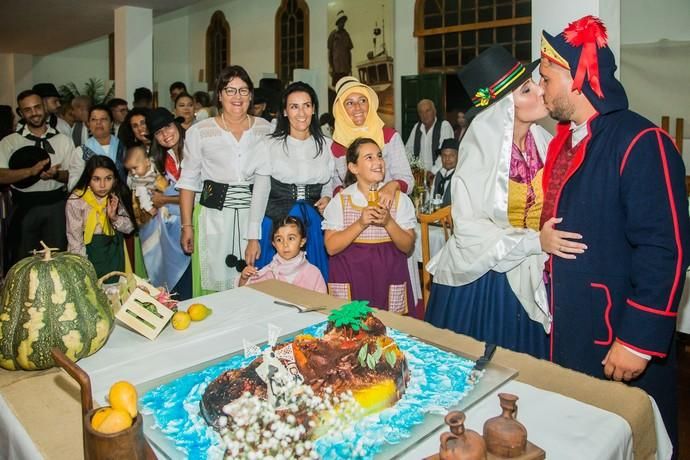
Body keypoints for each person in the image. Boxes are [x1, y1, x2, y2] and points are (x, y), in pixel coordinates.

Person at [538, 16, 690, 453]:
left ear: (576, 79)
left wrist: (639, 340)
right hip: (573, 327)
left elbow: (666, 248)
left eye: (548, 80)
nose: (543, 90)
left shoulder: (642, 141)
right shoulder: (571, 141)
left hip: (616, 336)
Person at [425, 45, 562, 359]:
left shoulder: (544, 141)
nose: (541, 91)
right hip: (486, 280)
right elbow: (470, 229)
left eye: (536, 84)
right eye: (528, 89)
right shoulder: (480, 153)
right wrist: (533, 242)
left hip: (536, 267)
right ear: (505, 108)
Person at [178, 65, 273, 294]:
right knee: (215, 285)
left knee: (255, 285)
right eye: (230, 90)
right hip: (214, 216)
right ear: (219, 95)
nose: (237, 97)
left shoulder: (266, 129)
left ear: (251, 95)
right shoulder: (200, 132)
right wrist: (186, 226)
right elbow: (189, 181)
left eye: (243, 90)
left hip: (255, 217)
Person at [331, 76, 421, 309]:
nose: (357, 107)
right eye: (349, 103)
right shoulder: (336, 144)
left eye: (362, 100)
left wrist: (392, 186)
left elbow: (406, 179)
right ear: (340, 108)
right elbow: (332, 183)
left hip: (389, 214)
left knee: (393, 296)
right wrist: (337, 195)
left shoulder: (388, 135)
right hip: (353, 223)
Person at [246, 81, 336, 282]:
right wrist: (253, 238)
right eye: (294, 106)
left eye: (306, 105)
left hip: (312, 224)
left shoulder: (326, 145)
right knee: (272, 288)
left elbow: (329, 180)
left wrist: (327, 196)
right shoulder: (270, 145)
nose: (301, 112)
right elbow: (259, 194)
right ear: (285, 112)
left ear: (313, 109)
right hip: (276, 222)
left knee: (312, 286)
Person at [323, 137, 417, 314]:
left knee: (390, 330)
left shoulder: (400, 200)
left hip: (388, 277)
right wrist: (361, 223)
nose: (378, 162)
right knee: (352, 331)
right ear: (353, 167)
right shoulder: (341, 201)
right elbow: (331, 248)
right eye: (369, 157)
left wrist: (388, 222)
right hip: (351, 277)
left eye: (379, 156)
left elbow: (407, 246)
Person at [0, 90, 75, 265]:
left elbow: (73, 175)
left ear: (44, 107)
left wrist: (56, 175)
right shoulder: (9, 142)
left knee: (57, 261)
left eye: (37, 107)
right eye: (28, 110)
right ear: (21, 113)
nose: (34, 113)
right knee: (23, 261)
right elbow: (1, 175)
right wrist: (30, 172)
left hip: (56, 206)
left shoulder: (63, 140)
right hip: (23, 208)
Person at [140, 107, 192, 299]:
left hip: (194, 224)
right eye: (158, 132)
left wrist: (166, 199)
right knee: (176, 289)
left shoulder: (195, 150)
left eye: (168, 127)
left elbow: (201, 194)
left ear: (176, 125)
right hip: (167, 235)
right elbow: (148, 198)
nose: (165, 135)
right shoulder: (155, 161)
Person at [66, 155, 134, 279]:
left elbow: (129, 228)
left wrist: (114, 218)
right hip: (88, 251)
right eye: (96, 179)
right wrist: (82, 267)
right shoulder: (76, 200)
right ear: (88, 179)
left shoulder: (117, 195)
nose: (102, 185)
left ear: (115, 179)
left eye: (108, 178)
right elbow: (74, 239)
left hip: (115, 251)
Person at [238, 216, 327, 293]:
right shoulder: (268, 272)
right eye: (279, 240)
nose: (285, 244)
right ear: (274, 244)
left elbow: (323, 304)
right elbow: (247, 297)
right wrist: (244, 279)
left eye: (291, 238)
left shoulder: (313, 273)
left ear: (302, 241)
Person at [68, 104, 126, 190]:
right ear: (88, 124)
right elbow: (72, 184)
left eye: (103, 119)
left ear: (111, 124)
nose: (98, 123)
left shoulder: (123, 148)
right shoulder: (81, 151)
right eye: (94, 119)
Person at [405, 99, 454, 176]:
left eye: (428, 111)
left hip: (439, 175)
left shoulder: (444, 126)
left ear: (434, 112)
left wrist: (433, 172)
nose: (424, 115)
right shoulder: (417, 127)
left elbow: (445, 153)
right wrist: (414, 168)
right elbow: (408, 151)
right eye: (421, 112)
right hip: (420, 177)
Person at [124, 145, 168, 227]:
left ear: (147, 162)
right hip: (150, 205)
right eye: (129, 170)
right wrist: (149, 209)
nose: (133, 172)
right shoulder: (139, 180)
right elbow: (143, 197)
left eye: (135, 168)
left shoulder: (154, 164)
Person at [327, 10, 353, 87]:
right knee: (337, 88)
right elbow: (329, 52)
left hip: (345, 69)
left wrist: (350, 67)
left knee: (345, 87)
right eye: (341, 21)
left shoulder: (346, 34)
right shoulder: (333, 34)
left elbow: (349, 52)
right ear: (338, 22)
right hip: (336, 69)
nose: (343, 23)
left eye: (344, 21)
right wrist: (331, 67)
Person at [430, 138, 458, 207]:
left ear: (458, 156)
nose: (447, 159)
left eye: (451, 155)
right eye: (444, 155)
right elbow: (431, 198)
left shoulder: (459, 177)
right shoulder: (438, 175)